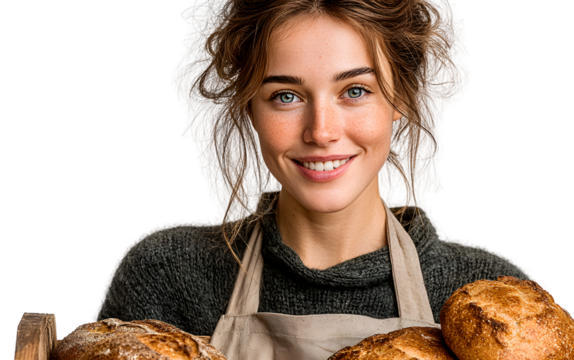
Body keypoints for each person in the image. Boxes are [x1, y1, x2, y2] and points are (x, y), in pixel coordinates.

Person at [91, 0, 534, 358]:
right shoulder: (167, 275)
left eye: (355, 91)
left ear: (399, 97)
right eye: (285, 96)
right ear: (250, 109)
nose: (320, 131)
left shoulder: (489, 303)